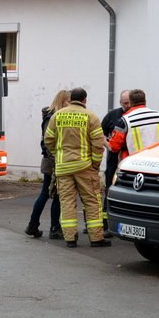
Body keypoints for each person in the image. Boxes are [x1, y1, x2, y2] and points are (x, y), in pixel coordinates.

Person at [44, 87, 108, 248]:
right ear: (85, 100)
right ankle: (96, 238)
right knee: (92, 201)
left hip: (63, 167)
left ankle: (70, 239)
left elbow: (48, 140)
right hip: (85, 166)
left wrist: (58, 156)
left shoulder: (58, 115)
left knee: (67, 202)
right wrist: (95, 164)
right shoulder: (91, 117)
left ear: (71, 98)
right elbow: (98, 144)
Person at [25, 90, 70, 239]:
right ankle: (52, 228)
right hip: (53, 161)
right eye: (68, 102)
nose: (70, 105)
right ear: (62, 101)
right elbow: (48, 141)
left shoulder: (51, 116)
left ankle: (35, 225)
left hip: (52, 160)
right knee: (52, 194)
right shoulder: (52, 118)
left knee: (48, 194)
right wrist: (56, 159)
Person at [108, 89, 159, 163]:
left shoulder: (124, 121)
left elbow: (114, 147)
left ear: (131, 102)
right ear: (145, 101)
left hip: (136, 164)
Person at [101, 89, 131, 190]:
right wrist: (109, 146)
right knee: (110, 183)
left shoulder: (137, 115)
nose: (128, 105)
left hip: (130, 156)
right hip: (114, 157)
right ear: (120, 103)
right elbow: (101, 133)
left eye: (130, 102)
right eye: (125, 103)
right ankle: (107, 204)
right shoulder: (112, 115)